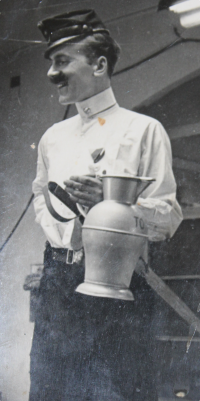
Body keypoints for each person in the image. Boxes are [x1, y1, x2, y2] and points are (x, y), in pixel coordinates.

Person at [30, 9, 183, 401]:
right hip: (59, 289)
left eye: (62, 61)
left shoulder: (143, 130)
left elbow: (168, 217)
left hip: (122, 286)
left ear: (99, 65)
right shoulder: (52, 138)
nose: (52, 73)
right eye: (51, 62)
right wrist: (67, 240)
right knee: (51, 392)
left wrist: (111, 206)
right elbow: (40, 198)